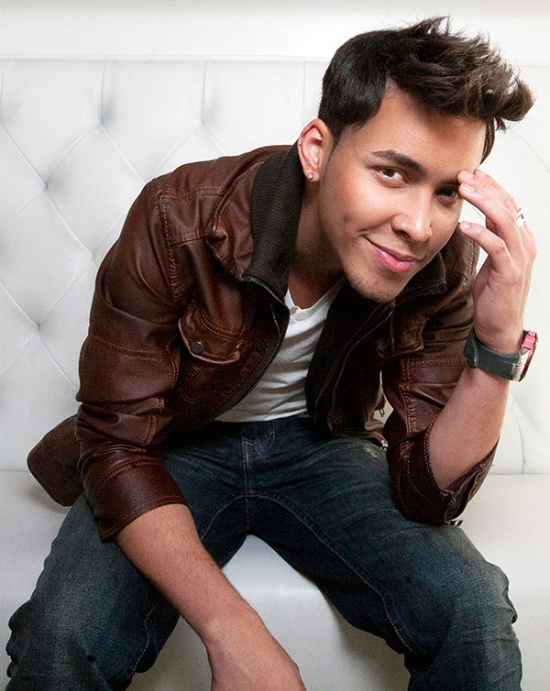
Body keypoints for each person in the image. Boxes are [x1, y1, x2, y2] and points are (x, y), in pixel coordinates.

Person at [6, 16, 537, 690]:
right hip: (171, 445)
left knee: (475, 613)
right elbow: (115, 446)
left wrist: (496, 343)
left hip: (322, 446)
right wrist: (232, 628)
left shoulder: (441, 263)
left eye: (447, 192)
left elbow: (428, 492)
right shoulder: (178, 217)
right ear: (316, 150)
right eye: (391, 172)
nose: (418, 224)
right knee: (61, 639)